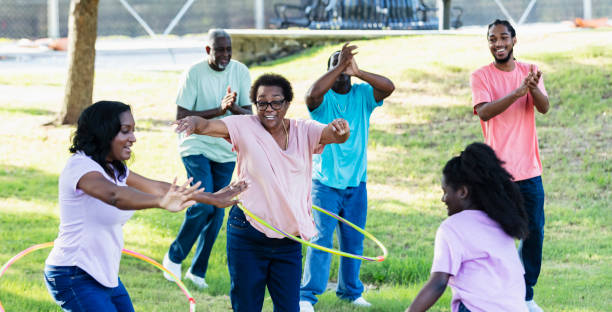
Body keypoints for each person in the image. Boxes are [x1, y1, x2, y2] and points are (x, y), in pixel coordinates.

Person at [43, 101, 246, 312]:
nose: (133, 138)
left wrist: (213, 199)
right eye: (125, 131)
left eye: (133, 130)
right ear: (103, 132)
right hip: (74, 273)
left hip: (104, 274)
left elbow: (157, 187)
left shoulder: (113, 168)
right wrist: (159, 203)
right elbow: (114, 195)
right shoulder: (81, 167)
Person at [174, 73, 350, 312]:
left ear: (287, 103)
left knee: (289, 308)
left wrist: (341, 131)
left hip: (288, 238)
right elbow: (207, 126)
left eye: (276, 102)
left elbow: (333, 135)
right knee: (246, 307)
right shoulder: (244, 125)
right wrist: (194, 123)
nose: (269, 108)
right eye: (261, 102)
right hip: (248, 232)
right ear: (254, 104)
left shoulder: (303, 130)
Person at [299, 42, 395, 311]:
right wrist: (339, 66)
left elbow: (389, 87)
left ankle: (351, 292)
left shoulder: (363, 94)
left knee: (353, 241)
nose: (341, 71)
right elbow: (310, 94)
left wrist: (358, 71)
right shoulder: (322, 100)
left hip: (356, 183)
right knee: (321, 241)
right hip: (324, 183)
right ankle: (306, 296)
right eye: (335, 65)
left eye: (345, 66)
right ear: (328, 70)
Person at [470, 19, 550, 312]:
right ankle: (493, 296)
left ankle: (525, 296)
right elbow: (486, 112)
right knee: (496, 237)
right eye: (492, 39)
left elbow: (544, 107)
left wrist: (531, 88)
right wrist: (517, 92)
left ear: (514, 41)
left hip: (529, 171)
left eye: (503, 37)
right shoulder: (481, 76)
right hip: (497, 175)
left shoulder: (530, 70)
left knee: (534, 233)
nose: (498, 43)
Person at [163, 28, 252, 289]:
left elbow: (248, 112)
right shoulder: (194, 73)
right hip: (195, 144)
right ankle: (174, 255)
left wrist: (233, 108)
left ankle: (197, 272)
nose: (225, 55)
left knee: (217, 209)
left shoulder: (241, 72)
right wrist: (219, 110)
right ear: (208, 51)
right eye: (219, 50)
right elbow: (181, 114)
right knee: (202, 204)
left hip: (225, 149)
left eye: (228, 49)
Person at [406, 142, 529, 312]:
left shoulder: (452, 228)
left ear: (463, 192)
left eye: (445, 191)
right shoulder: (502, 223)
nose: (443, 199)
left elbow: (438, 282)